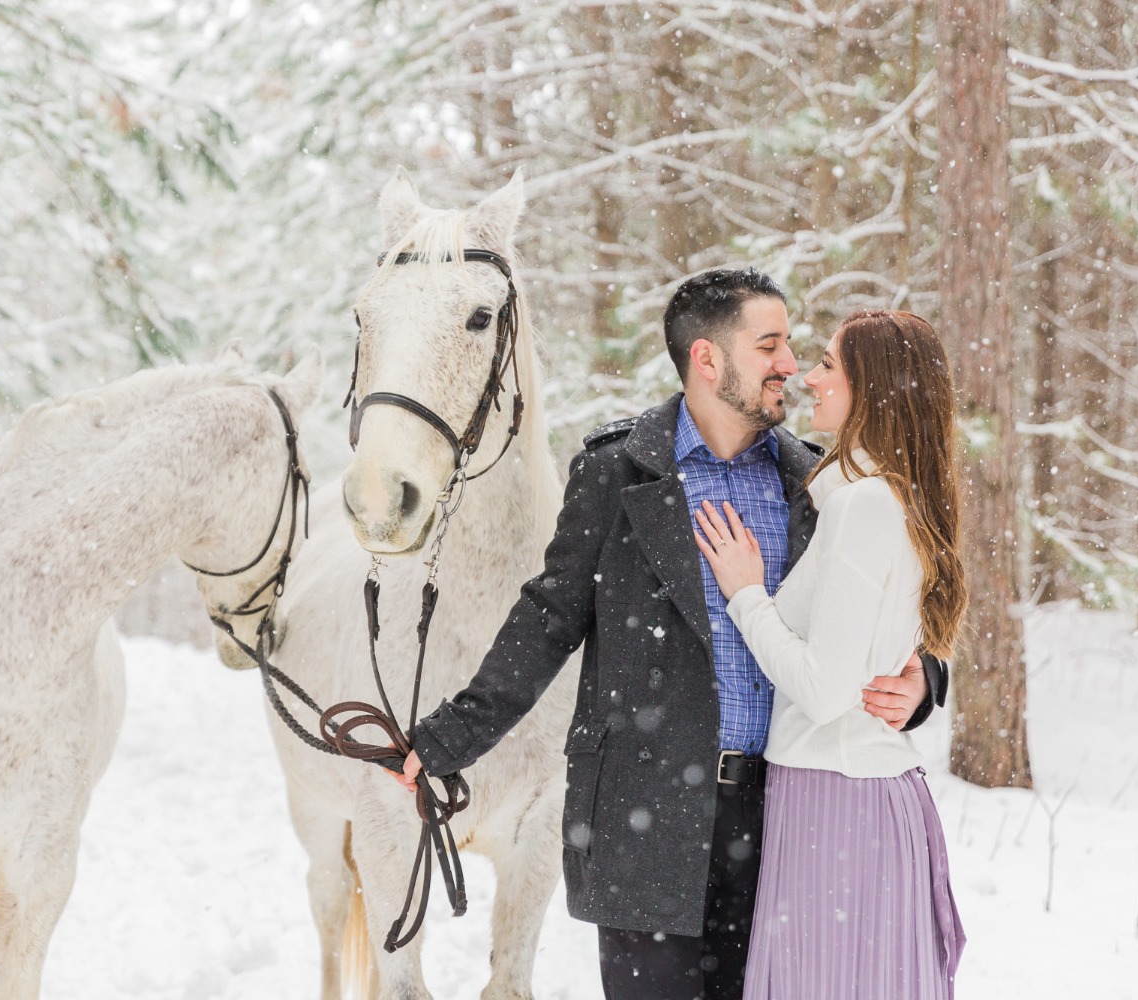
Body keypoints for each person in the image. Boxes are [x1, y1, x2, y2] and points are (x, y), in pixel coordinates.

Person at [396, 269, 948, 1000]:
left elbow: (889, 601)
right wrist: (446, 740)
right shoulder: (615, 471)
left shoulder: (814, 482)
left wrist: (926, 679)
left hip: (786, 822)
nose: (790, 364)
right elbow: (549, 616)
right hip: (644, 825)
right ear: (708, 359)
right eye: (771, 345)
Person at [691, 309, 966, 999]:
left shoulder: (866, 507)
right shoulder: (871, 497)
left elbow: (821, 688)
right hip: (838, 798)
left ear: (873, 390)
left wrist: (746, 594)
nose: (808, 378)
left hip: (837, 806)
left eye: (829, 366)